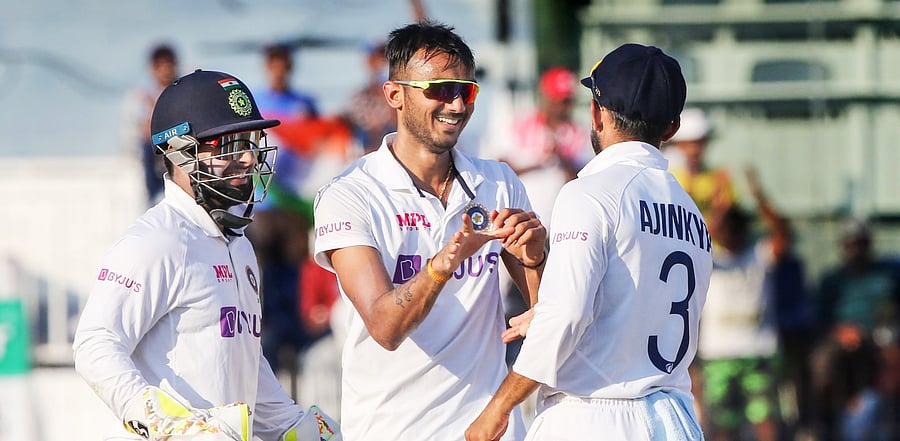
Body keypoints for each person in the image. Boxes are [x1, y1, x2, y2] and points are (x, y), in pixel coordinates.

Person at [72, 69, 340, 441]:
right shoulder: (156, 241)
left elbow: (242, 360)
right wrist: (163, 422)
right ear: (178, 152)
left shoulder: (240, 245)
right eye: (227, 145)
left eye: (249, 141)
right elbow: (95, 343)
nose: (246, 158)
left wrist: (291, 424)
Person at [312, 20, 547, 441]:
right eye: (440, 89)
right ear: (394, 95)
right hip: (393, 430)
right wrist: (447, 260)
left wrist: (536, 258)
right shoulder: (350, 194)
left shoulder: (498, 181)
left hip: (487, 431)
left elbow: (544, 310)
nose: (456, 105)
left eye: (466, 91)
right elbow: (386, 328)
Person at [466, 43, 712, 441]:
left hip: (594, 416)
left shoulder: (591, 191)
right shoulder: (694, 216)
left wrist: (498, 408)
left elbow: (568, 316)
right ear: (672, 128)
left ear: (596, 113)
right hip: (675, 418)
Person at [696, 168, 790, 441]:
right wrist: (720, 207)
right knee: (722, 424)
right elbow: (699, 237)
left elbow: (783, 233)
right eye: (728, 228)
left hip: (758, 352)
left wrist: (759, 197)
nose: (733, 234)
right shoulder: (711, 257)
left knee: (765, 418)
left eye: (738, 228)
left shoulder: (759, 255)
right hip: (719, 355)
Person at [809, 217, 900, 441]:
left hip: (883, 336)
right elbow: (819, 319)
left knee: (892, 360)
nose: (856, 249)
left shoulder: (889, 275)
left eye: (861, 243)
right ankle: (823, 423)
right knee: (822, 361)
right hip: (842, 337)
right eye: (851, 244)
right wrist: (841, 331)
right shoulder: (832, 280)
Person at [482, 66, 592, 226]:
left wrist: (561, 159)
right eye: (558, 100)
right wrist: (540, 162)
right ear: (545, 97)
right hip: (520, 221)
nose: (563, 107)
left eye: (568, 101)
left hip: (560, 223)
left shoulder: (579, 132)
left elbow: (582, 181)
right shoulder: (519, 124)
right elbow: (498, 169)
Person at [120, 43, 179, 206]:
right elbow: (138, 131)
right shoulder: (140, 95)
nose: (166, 70)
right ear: (152, 68)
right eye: (160, 65)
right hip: (152, 158)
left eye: (169, 64)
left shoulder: (181, 91)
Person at [665, 107, 737, 218]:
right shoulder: (666, 176)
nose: (694, 150)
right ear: (677, 144)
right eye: (688, 144)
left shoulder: (720, 178)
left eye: (699, 143)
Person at [342, 41, 398, 154]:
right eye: (376, 58)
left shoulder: (400, 93)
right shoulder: (359, 96)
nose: (381, 63)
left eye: (384, 58)